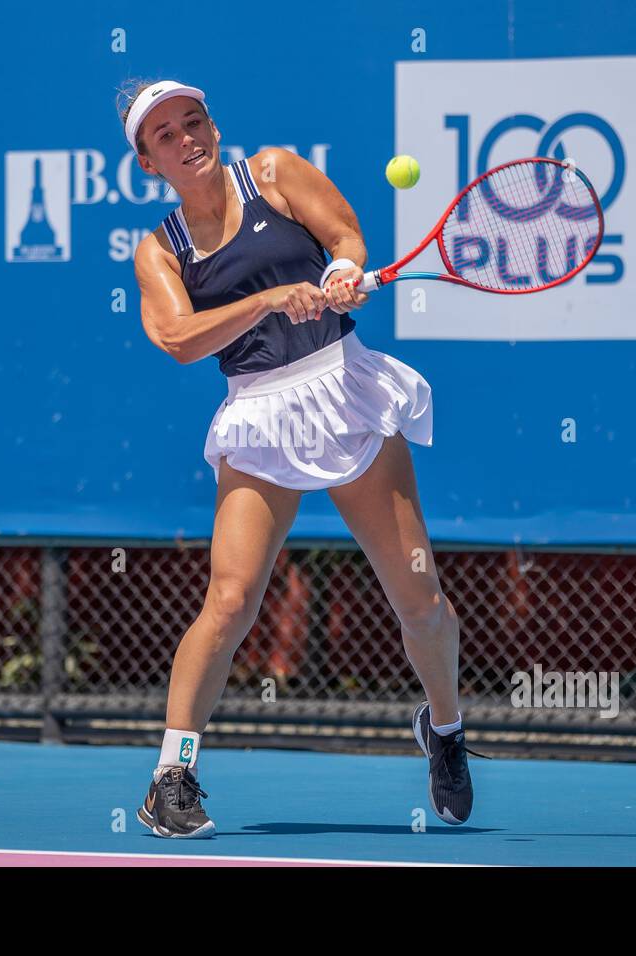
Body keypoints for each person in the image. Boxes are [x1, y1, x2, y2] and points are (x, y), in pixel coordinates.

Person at [120, 79, 480, 838]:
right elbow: (179, 340)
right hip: (258, 415)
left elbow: (347, 238)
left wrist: (343, 272)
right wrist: (267, 300)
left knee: (420, 599)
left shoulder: (275, 172)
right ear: (149, 162)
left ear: (213, 125)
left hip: (343, 388)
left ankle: (444, 730)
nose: (187, 138)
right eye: (165, 136)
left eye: (195, 121)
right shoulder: (158, 250)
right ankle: (171, 777)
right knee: (230, 600)